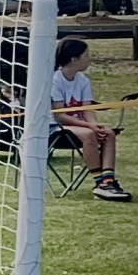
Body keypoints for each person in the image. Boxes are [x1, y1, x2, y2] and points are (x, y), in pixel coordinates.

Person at [51, 38, 131, 201]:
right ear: (74, 59)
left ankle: (108, 180)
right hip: (55, 127)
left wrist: (96, 125)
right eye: (86, 56)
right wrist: (89, 127)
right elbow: (60, 115)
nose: (89, 59)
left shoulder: (83, 81)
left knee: (108, 133)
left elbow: (87, 109)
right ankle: (99, 183)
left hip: (79, 126)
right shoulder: (55, 80)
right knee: (88, 135)